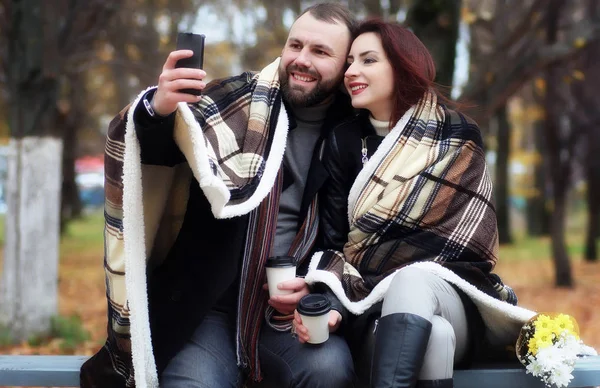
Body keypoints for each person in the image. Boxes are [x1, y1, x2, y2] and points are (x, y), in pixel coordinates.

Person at [80, 3, 359, 388]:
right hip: (208, 306)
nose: (301, 60)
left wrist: (319, 286)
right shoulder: (238, 100)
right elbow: (165, 151)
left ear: (347, 65)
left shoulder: (356, 135)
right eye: (295, 45)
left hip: (291, 313)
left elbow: (360, 238)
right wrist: (158, 109)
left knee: (330, 369)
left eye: (321, 52)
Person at [299, 19, 538, 388]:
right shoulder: (342, 142)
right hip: (369, 300)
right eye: (349, 61)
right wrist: (331, 308)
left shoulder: (458, 134)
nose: (352, 71)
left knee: (414, 280)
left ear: (401, 65)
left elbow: (471, 241)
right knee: (435, 337)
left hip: (453, 293)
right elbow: (333, 244)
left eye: (368, 60)